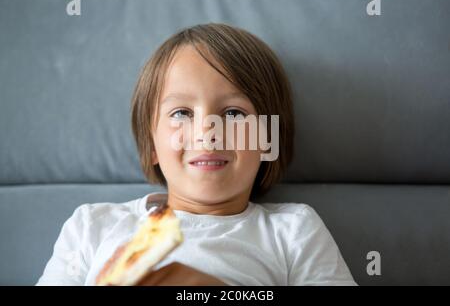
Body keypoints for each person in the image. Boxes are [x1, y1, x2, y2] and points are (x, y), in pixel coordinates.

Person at [36, 23, 356, 286]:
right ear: (151, 147)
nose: (206, 131)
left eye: (232, 113)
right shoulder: (93, 225)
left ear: (269, 139)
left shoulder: (293, 231)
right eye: (181, 113)